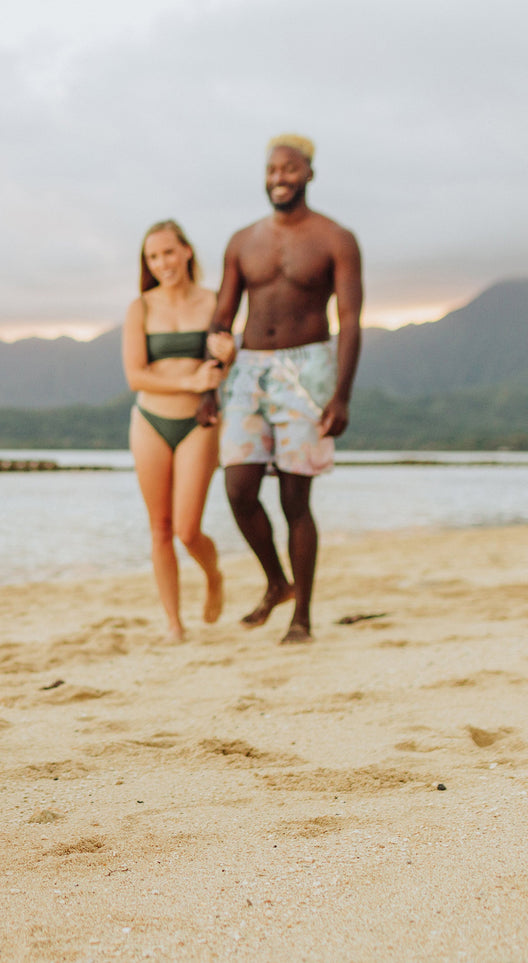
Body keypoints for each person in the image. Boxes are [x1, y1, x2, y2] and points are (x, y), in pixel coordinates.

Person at [199, 133, 363, 645]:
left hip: (308, 368)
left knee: (295, 499)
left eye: (289, 169)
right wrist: (209, 383)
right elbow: (222, 317)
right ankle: (276, 581)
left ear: (309, 173)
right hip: (248, 370)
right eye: (272, 170)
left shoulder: (336, 238)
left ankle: (302, 618)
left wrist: (341, 395)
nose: (279, 178)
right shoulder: (242, 241)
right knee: (238, 488)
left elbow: (350, 321)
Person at [122, 220, 227, 642]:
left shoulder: (214, 301)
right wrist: (189, 381)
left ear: (186, 251)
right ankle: (174, 624)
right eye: (152, 256)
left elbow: (222, 366)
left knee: (187, 529)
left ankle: (214, 575)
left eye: (168, 252)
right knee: (161, 529)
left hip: (198, 424)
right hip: (150, 421)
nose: (162, 263)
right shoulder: (141, 308)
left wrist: (228, 356)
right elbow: (135, 376)